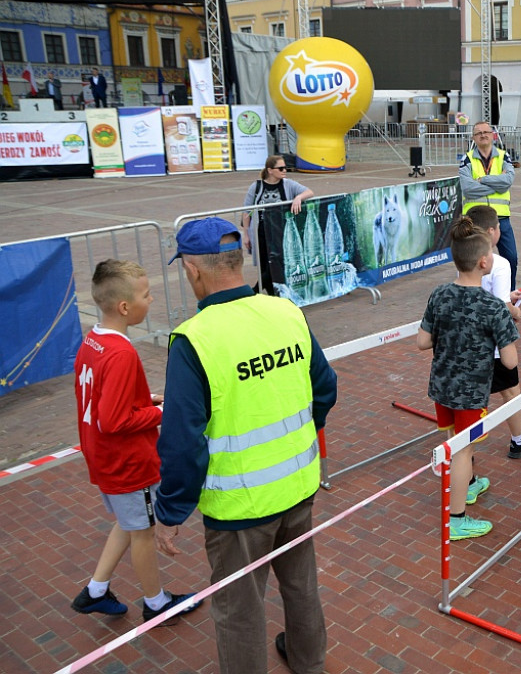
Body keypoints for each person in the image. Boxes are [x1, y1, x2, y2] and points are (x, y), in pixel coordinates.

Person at [154, 217, 338, 674]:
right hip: (298, 485)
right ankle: (308, 662)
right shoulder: (285, 311)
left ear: (193, 269)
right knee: (301, 586)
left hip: (239, 508)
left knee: (239, 609)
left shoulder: (194, 339)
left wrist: (171, 510)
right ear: (238, 259)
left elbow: (182, 441)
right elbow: (326, 387)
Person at [70, 260, 201, 623]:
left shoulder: (94, 340)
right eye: (146, 294)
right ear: (125, 307)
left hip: (104, 458)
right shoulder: (122, 352)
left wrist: (146, 402)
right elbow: (114, 420)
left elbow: (102, 404)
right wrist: (162, 413)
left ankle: (96, 590)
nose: (152, 298)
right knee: (142, 531)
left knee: (129, 523)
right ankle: (155, 602)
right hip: (128, 462)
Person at [417, 217, 519, 539]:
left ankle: (470, 484)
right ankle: (457, 518)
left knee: (452, 443)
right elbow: (510, 359)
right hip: (471, 392)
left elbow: (422, 341)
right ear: (484, 261)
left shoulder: (439, 294)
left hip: (441, 386)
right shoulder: (493, 307)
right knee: (462, 451)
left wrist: (450, 334)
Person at [465, 205, 521, 459]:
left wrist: (507, 298)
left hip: (469, 338)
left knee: (473, 395)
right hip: (494, 342)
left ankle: (464, 447)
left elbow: (485, 296)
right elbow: (500, 306)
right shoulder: (499, 263)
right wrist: (516, 310)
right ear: (491, 231)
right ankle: (517, 441)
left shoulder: (466, 258)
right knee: (511, 390)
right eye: (499, 227)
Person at [241, 155, 314, 296]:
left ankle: (253, 292)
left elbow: (309, 192)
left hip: (280, 231)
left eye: (285, 167)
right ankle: (272, 295)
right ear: (270, 170)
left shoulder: (288, 184)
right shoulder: (256, 186)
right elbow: (247, 211)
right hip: (261, 230)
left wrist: (298, 197)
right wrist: (246, 234)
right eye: (281, 168)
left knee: (276, 264)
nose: (284, 170)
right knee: (265, 265)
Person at [460, 121, 519, 287]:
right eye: (478, 133)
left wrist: (482, 180)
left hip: (501, 218)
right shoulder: (467, 159)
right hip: (476, 218)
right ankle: (478, 292)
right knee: (476, 259)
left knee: (511, 257)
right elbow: (468, 189)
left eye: (486, 132)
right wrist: (495, 185)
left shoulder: (503, 156)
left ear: (493, 135)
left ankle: (509, 293)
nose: (483, 135)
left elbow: (507, 181)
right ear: (473, 138)